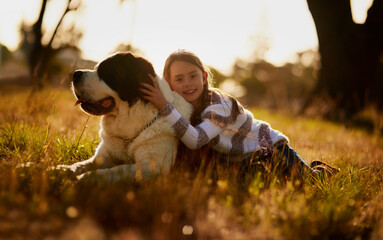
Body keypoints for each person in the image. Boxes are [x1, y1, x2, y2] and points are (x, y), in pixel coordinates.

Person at [140, 49, 338, 179]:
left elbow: (196, 139)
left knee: (309, 181)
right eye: (179, 79)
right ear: (169, 83)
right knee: (267, 182)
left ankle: (321, 171)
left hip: (269, 147)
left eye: (193, 76)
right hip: (244, 159)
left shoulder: (219, 105)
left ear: (204, 77)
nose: (188, 83)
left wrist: (164, 105)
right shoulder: (184, 109)